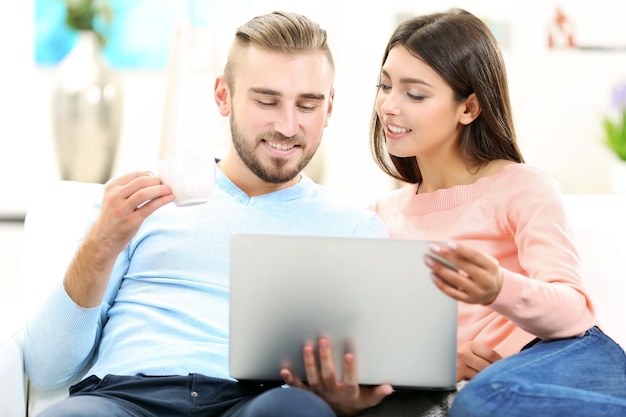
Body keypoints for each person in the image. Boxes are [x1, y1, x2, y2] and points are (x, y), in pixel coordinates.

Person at [23, 11, 393, 417]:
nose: (288, 126)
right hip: (126, 400)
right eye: (266, 101)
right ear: (223, 96)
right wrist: (101, 243)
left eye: (307, 104)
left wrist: (346, 403)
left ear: (329, 108)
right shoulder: (140, 204)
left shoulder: (356, 229)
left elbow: (371, 379)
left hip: (262, 403)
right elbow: (46, 369)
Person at [365, 8, 626, 417]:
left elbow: (575, 311)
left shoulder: (521, 186)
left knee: (483, 401)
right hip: (488, 388)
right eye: (384, 85)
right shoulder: (380, 216)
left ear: (469, 108)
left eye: (414, 94)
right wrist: (446, 366)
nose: (389, 106)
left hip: (565, 356)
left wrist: (496, 289)